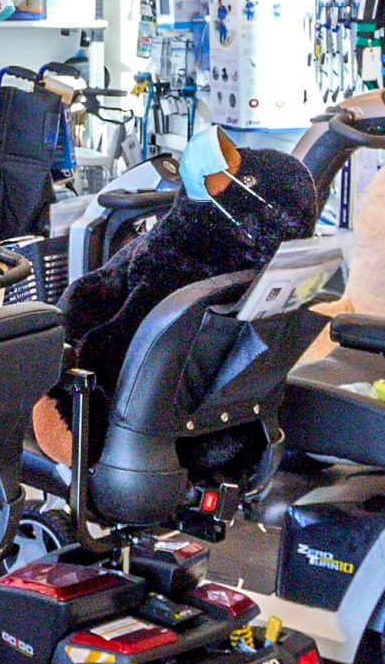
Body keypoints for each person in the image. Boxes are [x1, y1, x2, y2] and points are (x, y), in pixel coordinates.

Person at [33, 128, 320, 462]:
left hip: (132, 439)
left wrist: (66, 402)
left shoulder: (169, 271)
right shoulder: (280, 277)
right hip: (228, 437)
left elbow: (111, 338)